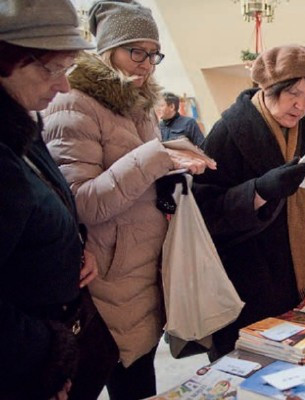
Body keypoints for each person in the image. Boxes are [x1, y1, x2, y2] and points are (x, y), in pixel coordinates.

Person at [42, 1, 214, 398]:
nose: (147, 64)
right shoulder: (74, 102)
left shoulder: (137, 104)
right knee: (93, 379)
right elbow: (80, 202)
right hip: (104, 279)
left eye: (153, 54)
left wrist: (174, 168)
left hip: (141, 272)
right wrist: (156, 157)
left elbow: (134, 180)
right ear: (107, 49)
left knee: (139, 381)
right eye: (136, 51)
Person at [193, 44, 305, 357]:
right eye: (293, 93)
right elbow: (204, 212)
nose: (301, 105)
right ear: (269, 86)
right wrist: (260, 190)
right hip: (250, 281)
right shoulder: (228, 131)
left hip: (303, 278)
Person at [0, 1, 119, 399]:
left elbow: (47, 201)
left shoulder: (22, 123)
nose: (63, 85)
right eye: (52, 69)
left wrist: (74, 244)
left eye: (67, 69)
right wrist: (46, 356)